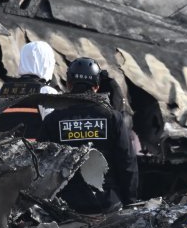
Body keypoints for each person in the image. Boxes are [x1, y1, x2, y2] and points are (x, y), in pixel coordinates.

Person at [38, 57, 138, 213]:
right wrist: (129, 202)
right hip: (108, 205)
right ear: (97, 86)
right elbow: (127, 164)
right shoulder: (113, 117)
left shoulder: (52, 119)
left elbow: (41, 166)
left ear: (69, 84)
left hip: (66, 209)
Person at [0, 41, 59, 138]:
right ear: (46, 63)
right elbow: (54, 130)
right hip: (35, 152)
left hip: (2, 151)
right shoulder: (47, 93)